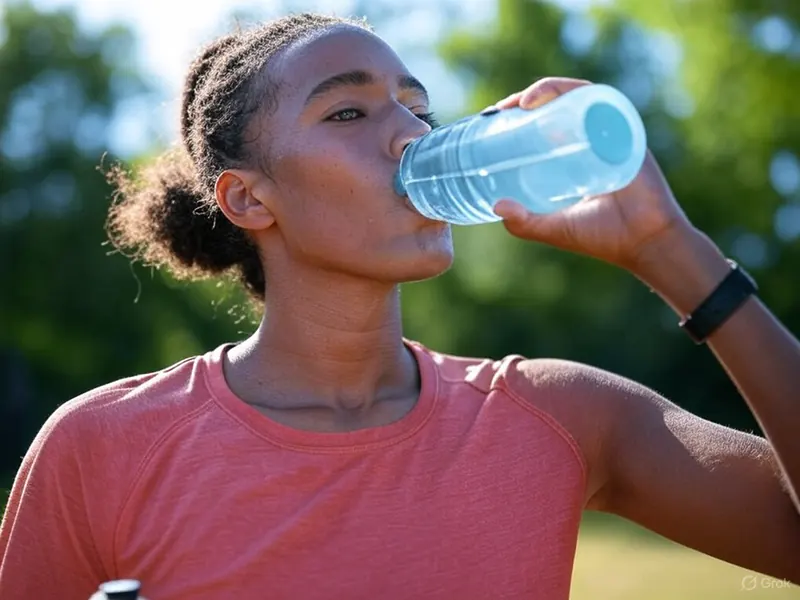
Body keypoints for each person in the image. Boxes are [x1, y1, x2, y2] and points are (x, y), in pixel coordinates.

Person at [0, 12, 798, 600]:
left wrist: (672, 251)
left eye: (417, 107)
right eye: (349, 112)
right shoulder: (102, 447)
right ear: (248, 198)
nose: (412, 135)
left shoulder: (559, 417)